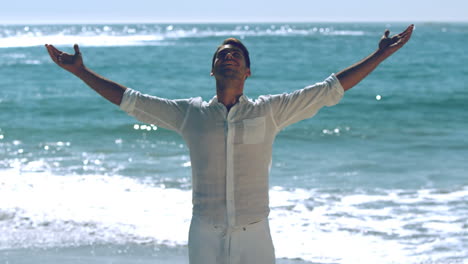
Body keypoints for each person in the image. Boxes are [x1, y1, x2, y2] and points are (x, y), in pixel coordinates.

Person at [45, 24, 413, 264]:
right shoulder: (190, 114)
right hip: (205, 231)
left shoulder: (271, 111)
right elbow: (132, 101)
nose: (229, 56)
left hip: (256, 233)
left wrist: (380, 54)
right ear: (213, 69)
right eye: (222, 53)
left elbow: (330, 89)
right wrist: (81, 72)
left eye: (237, 54)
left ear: (248, 71)